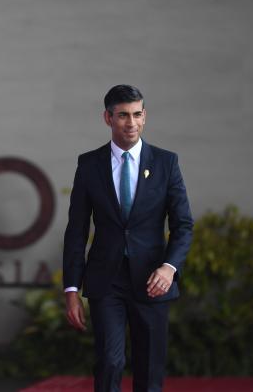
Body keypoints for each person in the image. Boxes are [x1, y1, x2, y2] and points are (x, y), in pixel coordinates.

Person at [62, 85, 194, 392]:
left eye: (137, 114)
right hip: (106, 280)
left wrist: (169, 268)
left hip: (153, 280)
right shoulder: (89, 165)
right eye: (123, 115)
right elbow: (77, 230)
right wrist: (71, 289)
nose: (131, 123)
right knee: (110, 362)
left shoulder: (166, 162)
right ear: (108, 118)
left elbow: (183, 225)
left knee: (149, 371)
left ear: (145, 116)